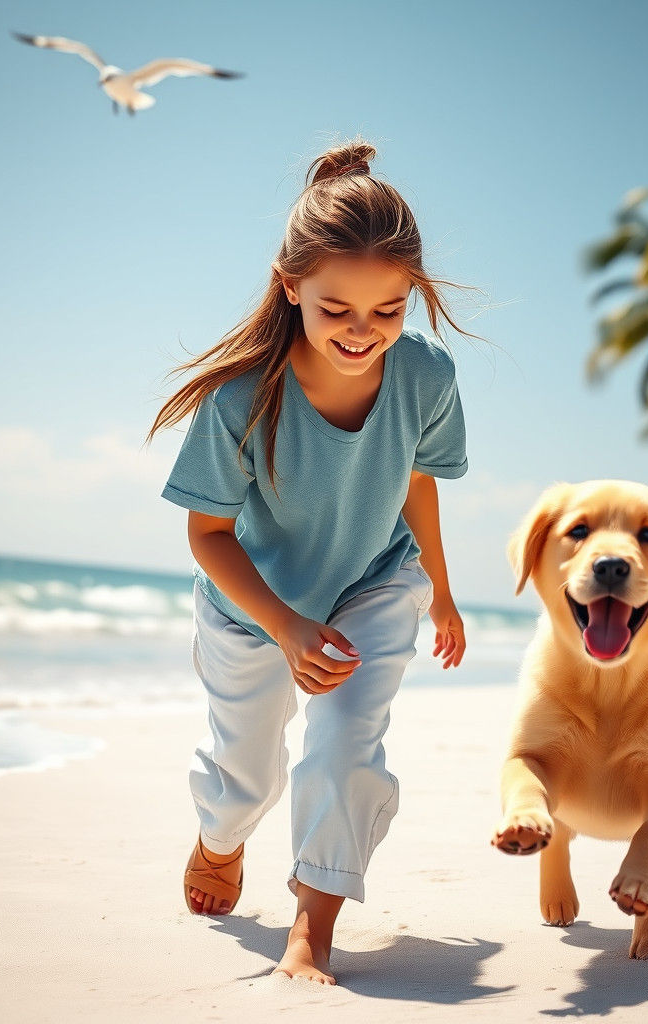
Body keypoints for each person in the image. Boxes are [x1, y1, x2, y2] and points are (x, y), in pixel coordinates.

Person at [148, 140, 471, 986]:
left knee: (343, 744)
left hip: (373, 581)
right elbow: (207, 536)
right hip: (252, 602)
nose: (363, 334)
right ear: (290, 286)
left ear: (413, 296)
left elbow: (418, 482)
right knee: (247, 777)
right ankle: (222, 840)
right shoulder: (239, 399)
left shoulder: (428, 376)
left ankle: (311, 930)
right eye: (336, 311)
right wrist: (285, 625)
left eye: (389, 311)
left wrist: (440, 590)